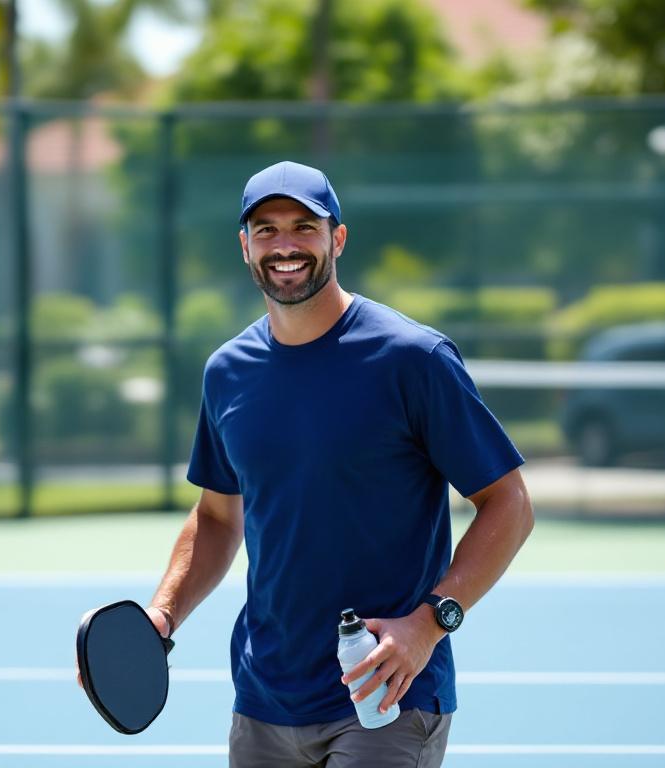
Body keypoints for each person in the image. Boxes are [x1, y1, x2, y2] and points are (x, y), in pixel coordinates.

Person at [152, 160, 533, 767]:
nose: (285, 246)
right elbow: (219, 518)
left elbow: (509, 502)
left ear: (338, 238)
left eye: (304, 226)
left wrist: (430, 624)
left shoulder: (415, 358)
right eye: (267, 229)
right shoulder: (227, 372)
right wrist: (162, 614)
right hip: (263, 699)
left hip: (388, 698)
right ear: (245, 247)